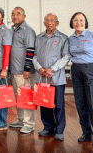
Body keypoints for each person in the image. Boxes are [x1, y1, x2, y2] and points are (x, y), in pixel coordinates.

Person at [68, 12, 93, 146]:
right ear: (72, 23)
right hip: (76, 71)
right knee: (80, 104)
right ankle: (86, 133)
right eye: (76, 20)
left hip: (91, 71)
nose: (79, 22)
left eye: (81, 20)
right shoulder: (70, 38)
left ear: (85, 22)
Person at [32, 13, 71, 141]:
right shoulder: (39, 38)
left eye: (52, 21)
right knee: (44, 103)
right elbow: (35, 56)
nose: (49, 23)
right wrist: (40, 68)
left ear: (57, 23)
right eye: (47, 20)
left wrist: (52, 69)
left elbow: (66, 56)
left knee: (59, 105)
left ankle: (59, 130)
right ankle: (48, 127)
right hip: (43, 77)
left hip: (57, 77)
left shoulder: (63, 38)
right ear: (44, 23)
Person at [9, 7, 36, 134]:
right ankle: (20, 120)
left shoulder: (28, 31)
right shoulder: (12, 30)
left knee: (26, 97)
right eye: (13, 14)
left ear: (24, 16)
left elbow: (31, 51)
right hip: (14, 70)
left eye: (18, 14)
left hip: (23, 71)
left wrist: (27, 68)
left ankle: (29, 124)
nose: (15, 16)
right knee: (17, 97)